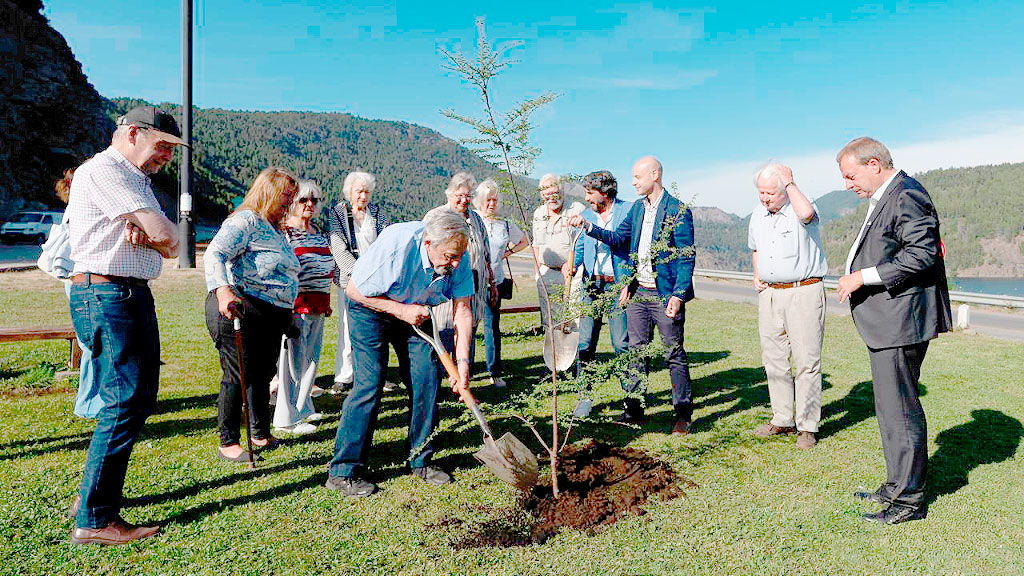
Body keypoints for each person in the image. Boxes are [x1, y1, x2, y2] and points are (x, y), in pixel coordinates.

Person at [66, 105, 183, 545]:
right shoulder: (107, 169)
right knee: (123, 402)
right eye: (163, 146)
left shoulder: (137, 179)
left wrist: (154, 233)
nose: (167, 156)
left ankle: (92, 499)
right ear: (133, 133)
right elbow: (168, 236)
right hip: (108, 293)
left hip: (127, 292)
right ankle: (95, 518)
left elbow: (170, 247)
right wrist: (153, 231)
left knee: (136, 399)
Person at [835, 137, 951, 525]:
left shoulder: (907, 194)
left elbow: (921, 254)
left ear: (873, 163)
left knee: (900, 411)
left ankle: (909, 500)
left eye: (851, 176)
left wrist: (861, 278)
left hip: (901, 321)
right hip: (889, 321)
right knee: (889, 409)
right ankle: (897, 485)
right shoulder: (890, 194)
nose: (849, 185)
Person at [325, 210, 474, 497]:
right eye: (449, 257)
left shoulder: (459, 255)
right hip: (371, 308)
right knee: (370, 383)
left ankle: (421, 459)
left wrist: (463, 361)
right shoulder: (398, 240)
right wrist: (400, 310)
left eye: (458, 256)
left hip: (416, 312)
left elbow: (463, 310)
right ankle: (343, 470)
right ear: (429, 242)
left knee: (427, 378)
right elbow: (355, 290)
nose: (455, 263)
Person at [568, 156, 695, 434]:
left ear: (655, 174)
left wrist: (678, 295)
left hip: (664, 296)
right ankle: (634, 410)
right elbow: (618, 240)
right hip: (639, 294)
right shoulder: (637, 210)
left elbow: (686, 257)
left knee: (673, 353)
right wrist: (589, 228)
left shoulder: (677, 210)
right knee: (635, 354)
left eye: (637, 177)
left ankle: (683, 415)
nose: (633, 182)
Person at [204, 167, 301, 462]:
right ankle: (229, 442)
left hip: (272, 313)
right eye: (286, 197)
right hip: (241, 307)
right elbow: (214, 253)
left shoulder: (274, 229)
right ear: (269, 193)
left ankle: (260, 433)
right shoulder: (245, 221)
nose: (289, 204)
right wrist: (223, 290)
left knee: (261, 374)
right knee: (238, 374)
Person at [747, 163, 828, 450]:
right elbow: (755, 247)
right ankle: (782, 417)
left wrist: (791, 183)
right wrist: (757, 274)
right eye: (761, 192)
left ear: (784, 190)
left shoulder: (800, 206)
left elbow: (807, 214)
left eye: (771, 192)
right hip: (770, 294)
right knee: (774, 360)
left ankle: (807, 426)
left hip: (803, 291)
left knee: (807, 362)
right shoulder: (757, 214)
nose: (765, 198)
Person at [272, 179, 335, 435]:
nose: (310, 204)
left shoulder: (317, 232)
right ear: (292, 203)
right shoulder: (284, 232)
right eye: (303, 200)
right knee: (291, 362)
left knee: (310, 359)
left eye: (314, 200)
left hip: (319, 304)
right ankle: (286, 417)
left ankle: (303, 407)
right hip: (296, 306)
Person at [569, 170, 632, 416]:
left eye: (589, 193)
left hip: (617, 287)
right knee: (584, 343)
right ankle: (584, 397)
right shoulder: (586, 215)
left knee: (622, 344)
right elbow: (582, 244)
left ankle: (631, 398)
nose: (586, 198)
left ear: (604, 192)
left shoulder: (627, 212)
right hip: (590, 286)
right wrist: (572, 264)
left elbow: (626, 243)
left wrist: (629, 281)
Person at [328, 171, 393, 394]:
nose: (363, 196)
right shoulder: (338, 212)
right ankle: (344, 376)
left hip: (376, 281)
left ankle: (375, 375)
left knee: (376, 328)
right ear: (349, 193)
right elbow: (337, 247)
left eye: (366, 191)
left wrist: (375, 275)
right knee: (347, 327)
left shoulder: (377, 213)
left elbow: (386, 243)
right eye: (359, 191)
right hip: (350, 280)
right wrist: (359, 274)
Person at [425, 173, 496, 376]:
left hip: (473, 282)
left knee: (468, 326)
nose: (463, 200)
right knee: (445, 328)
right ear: (449, 194)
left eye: (468, 196)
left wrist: (492, 281)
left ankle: (466, 372)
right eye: (459, 195)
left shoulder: (476, 219)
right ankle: (443, 374)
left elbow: (486, 252)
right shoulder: (435, 216)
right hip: (446, 283)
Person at [474, 178, 529, 388]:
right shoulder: (472, 221)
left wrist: (507, 253)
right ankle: (465, 371)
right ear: (479, 200)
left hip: (494, 284)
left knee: (492, 328)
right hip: (471, 282)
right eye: (487, 200)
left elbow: (524, 240)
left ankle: (494, 372)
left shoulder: (504, 224)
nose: (491, 204)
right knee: (467, 328)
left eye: (494, 200)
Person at [532, 174, 585, 332]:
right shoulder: (538, 214)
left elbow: (583, 243)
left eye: (555, 193)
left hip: (572, 274)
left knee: (573, 318)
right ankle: (555, 355)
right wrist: (538, 273)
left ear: (562, 191)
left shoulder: (576, 210)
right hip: (547, 274)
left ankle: (574, 356)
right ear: (542, 195)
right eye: (547, 195)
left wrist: (571, 265)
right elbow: (536, 245)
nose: (552, 198)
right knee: (550, 320)